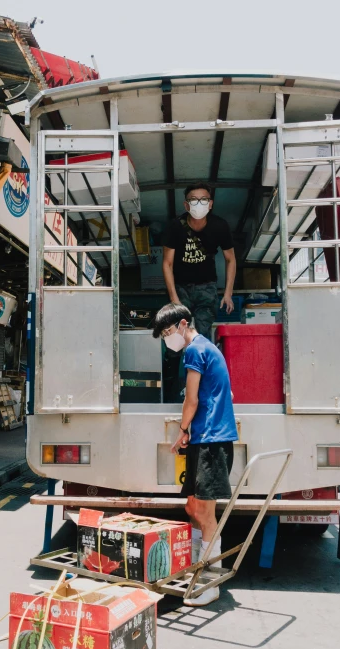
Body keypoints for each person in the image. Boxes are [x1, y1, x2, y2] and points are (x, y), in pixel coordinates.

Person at [152, 302, 238, 606]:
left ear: (184, 323)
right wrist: (189, 432)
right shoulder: (207, 349)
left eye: (168, 331)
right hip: (205, 438)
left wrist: (182, 429)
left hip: (211, 442)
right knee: (191, 507)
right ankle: (195, 569)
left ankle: (209, 581)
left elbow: (191, 399)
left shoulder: (194, 350)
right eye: (163, 334)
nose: (167, 338)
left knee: (204, 512)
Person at [161, 183, 236, 401]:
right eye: (194, 200)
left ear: (210, 204)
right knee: (174, 344)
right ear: (186, 204)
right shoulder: (175, 226)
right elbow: (167, 264)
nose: (199, 204)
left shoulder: (219, 226)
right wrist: (174, 300)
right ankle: (170, 394)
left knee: (200, 341)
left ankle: (196, 393)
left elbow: (231, 259)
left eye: (204, 200)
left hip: (207, 289)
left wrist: (228, 293)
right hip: (181, 289)